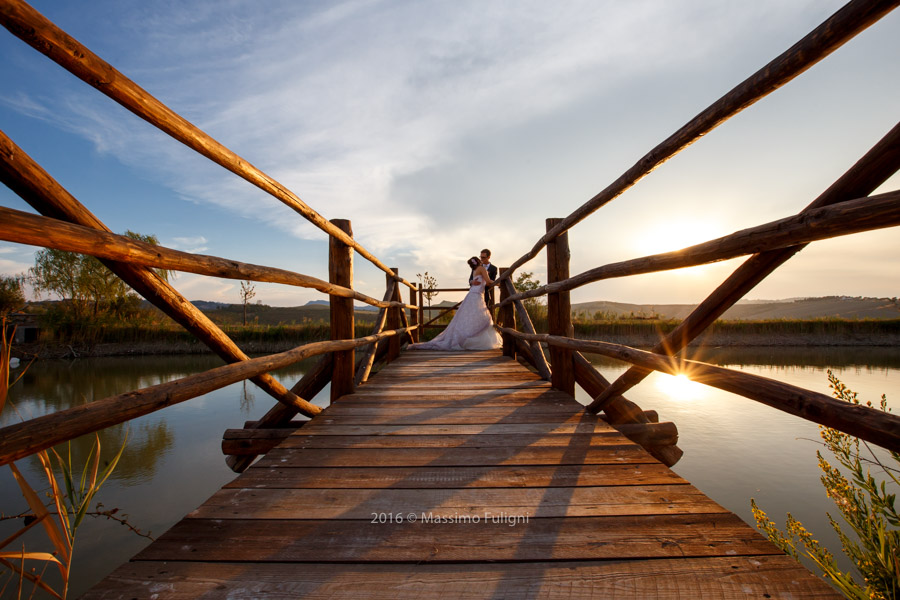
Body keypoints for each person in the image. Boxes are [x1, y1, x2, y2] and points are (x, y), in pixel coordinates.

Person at [411, 256, 502, 351]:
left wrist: (472, 281)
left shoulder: (475, 270)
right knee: (482, 317)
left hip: (473, 294)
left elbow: (477, 280)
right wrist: (499, 283)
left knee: (471, 317)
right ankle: (472, 339)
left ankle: (469, 337)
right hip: (477, 295)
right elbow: (488, 281)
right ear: (478, 261)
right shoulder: (481, 268)